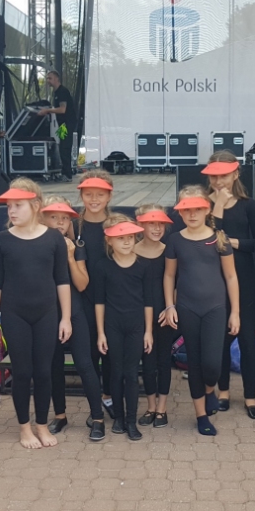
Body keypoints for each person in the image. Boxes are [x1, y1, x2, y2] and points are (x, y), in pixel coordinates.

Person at [0, 179, 72, 449]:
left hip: (46, 313)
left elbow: (62, 280)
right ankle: (25, 427)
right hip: (15, 314)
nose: (11, 211)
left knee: (44, 372)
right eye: (9, 206)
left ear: (35, 205)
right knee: (22, 372)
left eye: (18, 205)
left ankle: (42, 425)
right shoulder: (1, 240)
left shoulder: (53, 238)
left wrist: (66, 317)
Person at [162, 187, 240, 436]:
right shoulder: (175, 240)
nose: (192, 214)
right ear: (180, 213)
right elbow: (169, 275)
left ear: (208, 210)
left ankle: (209, 390)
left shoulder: (219, 238)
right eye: (187, 210)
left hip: (215, 308)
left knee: (212, 365)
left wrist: (235, 312)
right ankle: (201, 416)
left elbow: (231, 276)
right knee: (194, 363)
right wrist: (170, 305)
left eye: (197, 209)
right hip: (187, 308)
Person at [203, 151, 255, 418]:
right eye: (214, 176)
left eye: (224, 175)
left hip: (244, 280)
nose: (219, 181)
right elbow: (209, 240)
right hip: (214, 280)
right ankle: (223, 391)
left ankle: (250, 396)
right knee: (221, 340)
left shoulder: (249, 206)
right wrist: (217, 206)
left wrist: (233, 242)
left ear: (236, 174)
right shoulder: (202, 205)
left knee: (247, 340)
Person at [44, 197, 106, 442]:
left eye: (64, 218)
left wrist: (70, 257)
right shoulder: (37, 245)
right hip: (48, 311)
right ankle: (60, 415)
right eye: (54, 217)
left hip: (76, 308)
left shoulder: (77, 245)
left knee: (84, 363)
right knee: (54, 365)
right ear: (43, 218)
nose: (60, 222)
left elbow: (82, 284)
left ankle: (97, 418)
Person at [95, 216, 153, 441]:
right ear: (109, 241)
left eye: (130, 237)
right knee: (116, 372)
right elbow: (99, 302)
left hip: (136, 326)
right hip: (113, 326)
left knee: (131, 373)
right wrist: (101, 333)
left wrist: (148, 331)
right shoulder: (103, 266)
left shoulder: (143, 266)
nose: (127, 242)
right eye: (120, 238)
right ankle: (118, 418)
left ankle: (131, 421)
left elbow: (148, 302)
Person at [75, 170, 116, 418]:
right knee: (89, 352)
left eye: (100, 195)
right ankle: (95, 399)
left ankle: (109, 395)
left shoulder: (117, 225)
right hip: (84, 298)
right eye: (88, 194)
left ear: (109, 196)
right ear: (81, 195)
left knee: (110, 351)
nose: (94, 199)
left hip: (112, 298)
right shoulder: (74, 226)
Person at [135, 204, 176, 428]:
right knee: (147, 361)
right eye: (151, 223)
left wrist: (171, 308)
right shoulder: (131, 251)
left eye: (161, 224)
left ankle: (162, 407)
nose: (157, 228)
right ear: (140, 224)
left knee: (163, 360)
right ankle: (150, 406)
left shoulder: (169, 251)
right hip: (139, 314)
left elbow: (176, 281)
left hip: (164, 313)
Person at [38, 70, 75, 181]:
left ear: (56, 79)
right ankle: (65, 172)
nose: (48, 80)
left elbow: (62, 109)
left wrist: (47, 111)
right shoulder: (56, 93)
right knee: (62, 147)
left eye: (50, 78)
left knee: (65, 147)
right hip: (62, 125)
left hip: (67, 123)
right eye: (47, 78)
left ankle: (67, 175)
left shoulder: (62, 91)